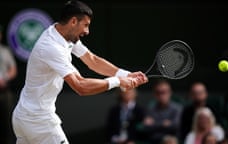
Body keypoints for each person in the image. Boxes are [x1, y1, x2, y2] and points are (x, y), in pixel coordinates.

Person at [11, 1, 148, 144]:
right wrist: (118, 81)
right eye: (86, 25)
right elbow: (80, 86)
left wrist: (125, 74)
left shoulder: (62, 34)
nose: (87, 31)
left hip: (24, 116)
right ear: (73, 21)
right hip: (38, 121)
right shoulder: (51, 47)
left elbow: (92, 60)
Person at [142, 79, 182, 144]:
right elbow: (146, 127)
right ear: (154, 94)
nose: (161, 96)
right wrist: (164, 124)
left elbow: (175, 126)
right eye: (158, 93)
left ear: (170, 92)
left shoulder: (177, 109)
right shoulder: (151, 109)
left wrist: (154, 124)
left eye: (164, 92)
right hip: (155, 141)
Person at [0, 25, 17, 144]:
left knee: (7, 124)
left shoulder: (5, 51)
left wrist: (4, 79)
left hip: (4, 92)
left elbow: (13, 69)